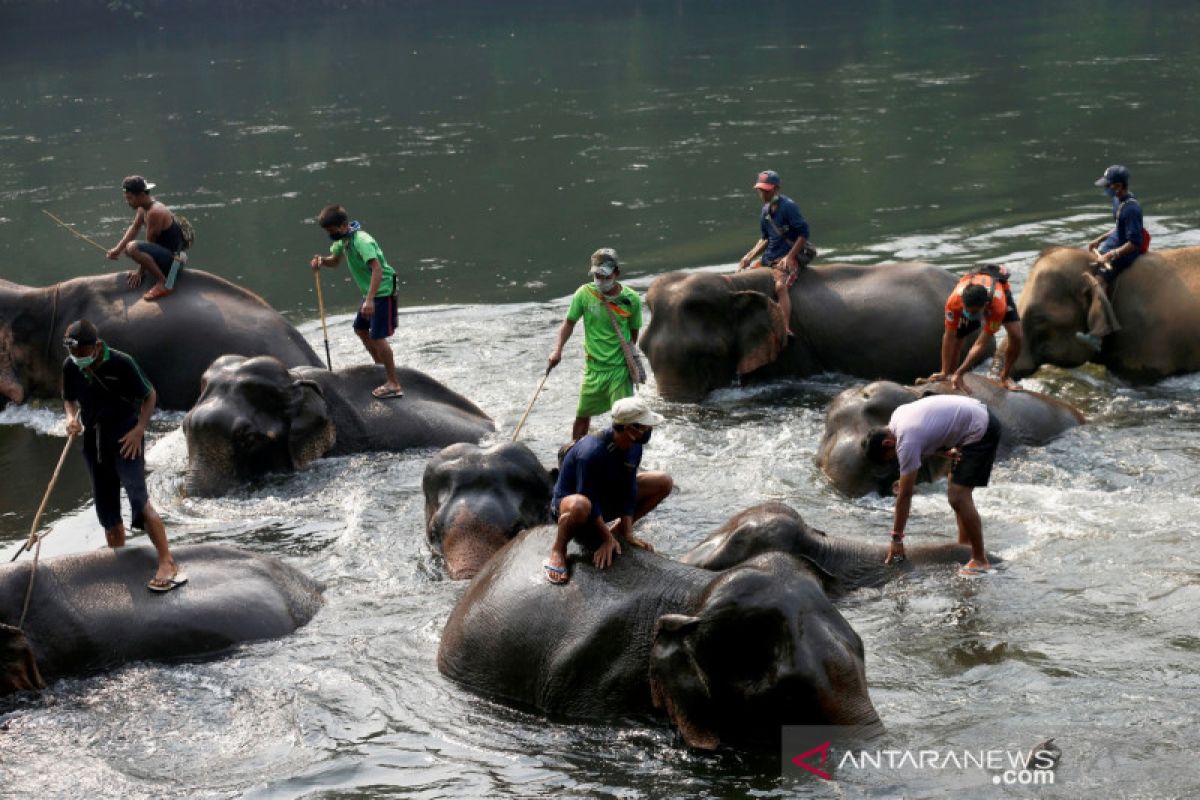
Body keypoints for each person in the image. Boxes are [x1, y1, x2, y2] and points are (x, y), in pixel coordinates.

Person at [60, 319, 185, 592]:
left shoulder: (122, 362)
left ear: (97, 346)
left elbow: (149, 395)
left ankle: (167, 560)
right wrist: (71, 418)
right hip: (94, 442)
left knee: (140, 500)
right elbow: (69, 398)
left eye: (82, 354)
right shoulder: (70, 366)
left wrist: (140, 429)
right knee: (108, 512)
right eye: (74, 354)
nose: (78, 359)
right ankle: (119, 561)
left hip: (125, 439)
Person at [865, 394, 1002, 576]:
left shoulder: (906, 439)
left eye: (892, 456)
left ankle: (980, 559)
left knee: (958, 496)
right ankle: (964, 548)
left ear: (888, 443)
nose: (896, 458)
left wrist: (896, 539)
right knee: (955, 497)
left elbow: (905, 495)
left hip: (980, 429)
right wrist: (944, 452)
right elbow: (928, 429)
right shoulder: (897, 418)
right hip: (974, 414)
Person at [544, 396, 673, 584]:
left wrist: (627, 532)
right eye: (645, 425)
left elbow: (629, 486)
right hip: (574, 505)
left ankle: (618, 531)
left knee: (663, 481)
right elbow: (588, 497)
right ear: (630, 429)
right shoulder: (591, 453)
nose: (649, 429)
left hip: (604, 494)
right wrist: (606, 538)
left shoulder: (634, 445)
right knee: (581, 505)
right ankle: (558, 549)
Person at [547, 248, 643, 442]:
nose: (600, 280)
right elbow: (569, 323)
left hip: (619, 370)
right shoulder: (584, 294)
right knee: (582, 416)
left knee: (623, 420)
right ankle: (573, 454)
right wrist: (557, 350)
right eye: (596, 275)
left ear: (616, 273)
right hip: (593, 369)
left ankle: (622, 461)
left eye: (605, 276)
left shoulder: (631, 299)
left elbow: (633, 334)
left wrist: (628, 358)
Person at [310, 205, 404, 399]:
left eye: (332, 230)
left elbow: (377, 269)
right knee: (361, 329)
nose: (330, 234)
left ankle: (394, 383)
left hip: (383, 290)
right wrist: (321, 261)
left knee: (378, 337)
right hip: (370, 291)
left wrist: (369, 300)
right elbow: (335, 261)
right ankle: (380, 368)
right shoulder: (343, 241)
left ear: (343, 226)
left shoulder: (362, 241)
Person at [737, 169, 812, 338]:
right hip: (770, 257)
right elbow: (765, 238)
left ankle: (784, 327)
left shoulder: (789, 207)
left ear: (776, 189)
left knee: (780, 287)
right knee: (746, 277)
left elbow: (804, 234)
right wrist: (749, 256)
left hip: (787, 256)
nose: (762, 193)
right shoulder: (765, 211)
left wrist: (790, 256)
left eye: (766, 190)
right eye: (760, 190)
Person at [1078, 164, 1146, 350]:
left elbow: (1134, 242)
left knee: (1099, 281)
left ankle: (1098, 333)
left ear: (1118, 186)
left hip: (1125, 251)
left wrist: (1110, 255)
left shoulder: (1132, 209)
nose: (1106, 189)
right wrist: (1099, 239)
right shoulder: (1119, 201)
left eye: (1108, 185)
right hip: (1116, 241)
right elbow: (1119, 225)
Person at [927, 265, 1024, 392]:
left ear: (985, 306)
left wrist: (961, 372)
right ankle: (949, 373)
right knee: (957, 337)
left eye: (975, 312)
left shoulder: (998, 306)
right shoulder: (954, 302)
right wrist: (943, 371)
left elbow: (980, 343)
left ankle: (1005, 377)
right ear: (963, 303)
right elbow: (949, 336)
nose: (971, 314)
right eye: (968, 311)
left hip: (1000, 291)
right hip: (973, 287)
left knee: (1017, 335)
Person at [106, 175, 186, 301]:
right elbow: (134, 228)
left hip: (175, 261)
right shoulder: (143, 208)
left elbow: (149, 244)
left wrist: (140, 271)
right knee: (128, 249)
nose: (128, 202)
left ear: (142, 195)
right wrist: (117, 250)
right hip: (164, 253)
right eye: (127, 199)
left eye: (130, 198)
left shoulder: (155, 212)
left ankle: (163, 283)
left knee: (132, 248)